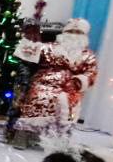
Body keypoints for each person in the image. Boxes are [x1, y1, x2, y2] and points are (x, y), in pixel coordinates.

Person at [13, 19, 99, 148]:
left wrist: (79, 81)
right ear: (64, 32)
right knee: (39, 96)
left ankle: (60, 139)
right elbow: (28, 52)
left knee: (67, 103)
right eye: (71, 31)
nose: (73, 35)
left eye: (78, 32)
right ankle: (24, 135)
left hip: (70, 86)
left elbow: (91, 72)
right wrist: (27, 41)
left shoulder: (88, 55)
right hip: (44, 81)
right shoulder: (49, 47)